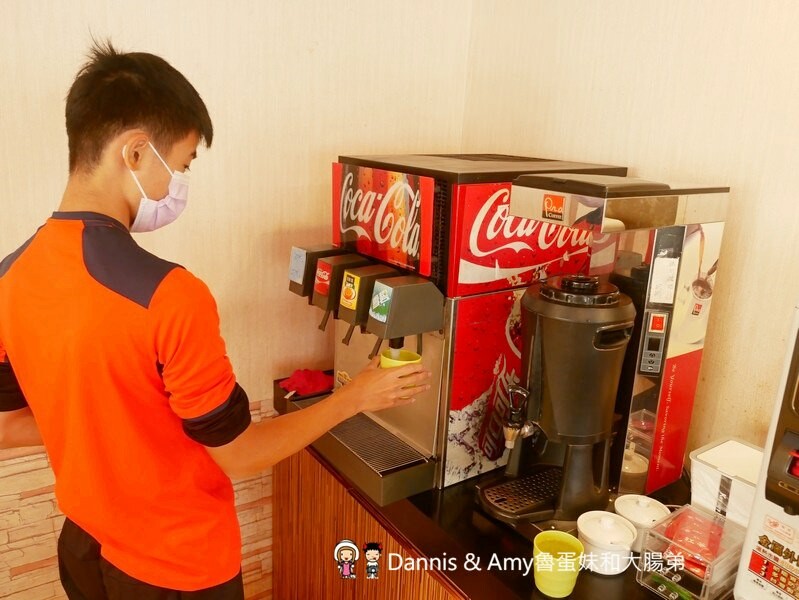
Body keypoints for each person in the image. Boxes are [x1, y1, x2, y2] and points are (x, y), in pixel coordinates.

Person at [0, 41, 430, 600]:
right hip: (179, 567)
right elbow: (242, 453)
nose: (176, 185)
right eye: (178, 166)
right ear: (134, 153)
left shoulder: (10, 278)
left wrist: (116, 427)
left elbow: (7, 426)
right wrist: (356, 396)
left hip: (84, 551)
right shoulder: (169, 295)